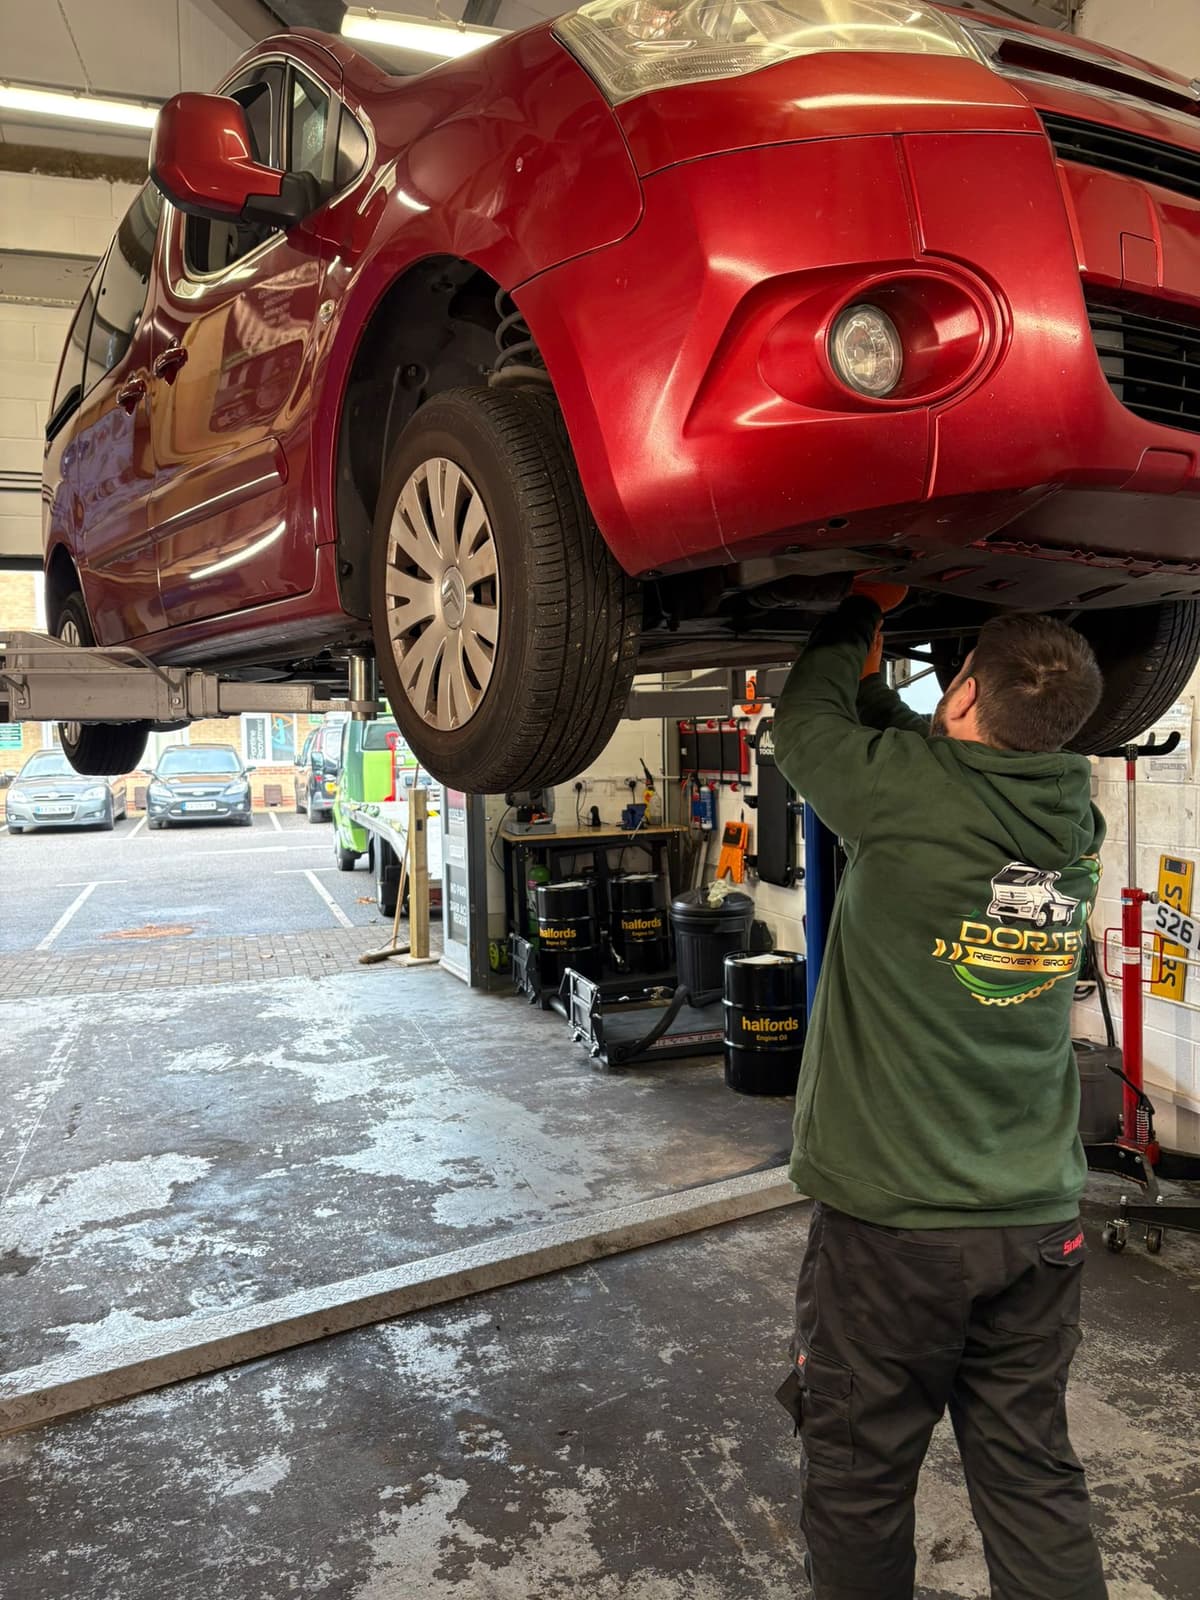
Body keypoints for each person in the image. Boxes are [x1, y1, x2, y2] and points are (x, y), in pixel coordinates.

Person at [771, 584, 1108, 1600]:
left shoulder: (912, 793)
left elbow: (803, 727)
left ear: (961, 695)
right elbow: (915, 751)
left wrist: (850, 620)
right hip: (1037, 1223)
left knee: (861, 1474)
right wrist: (892, 695)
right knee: (1030, 1475)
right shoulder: (1069, 816)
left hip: (896, 1231)